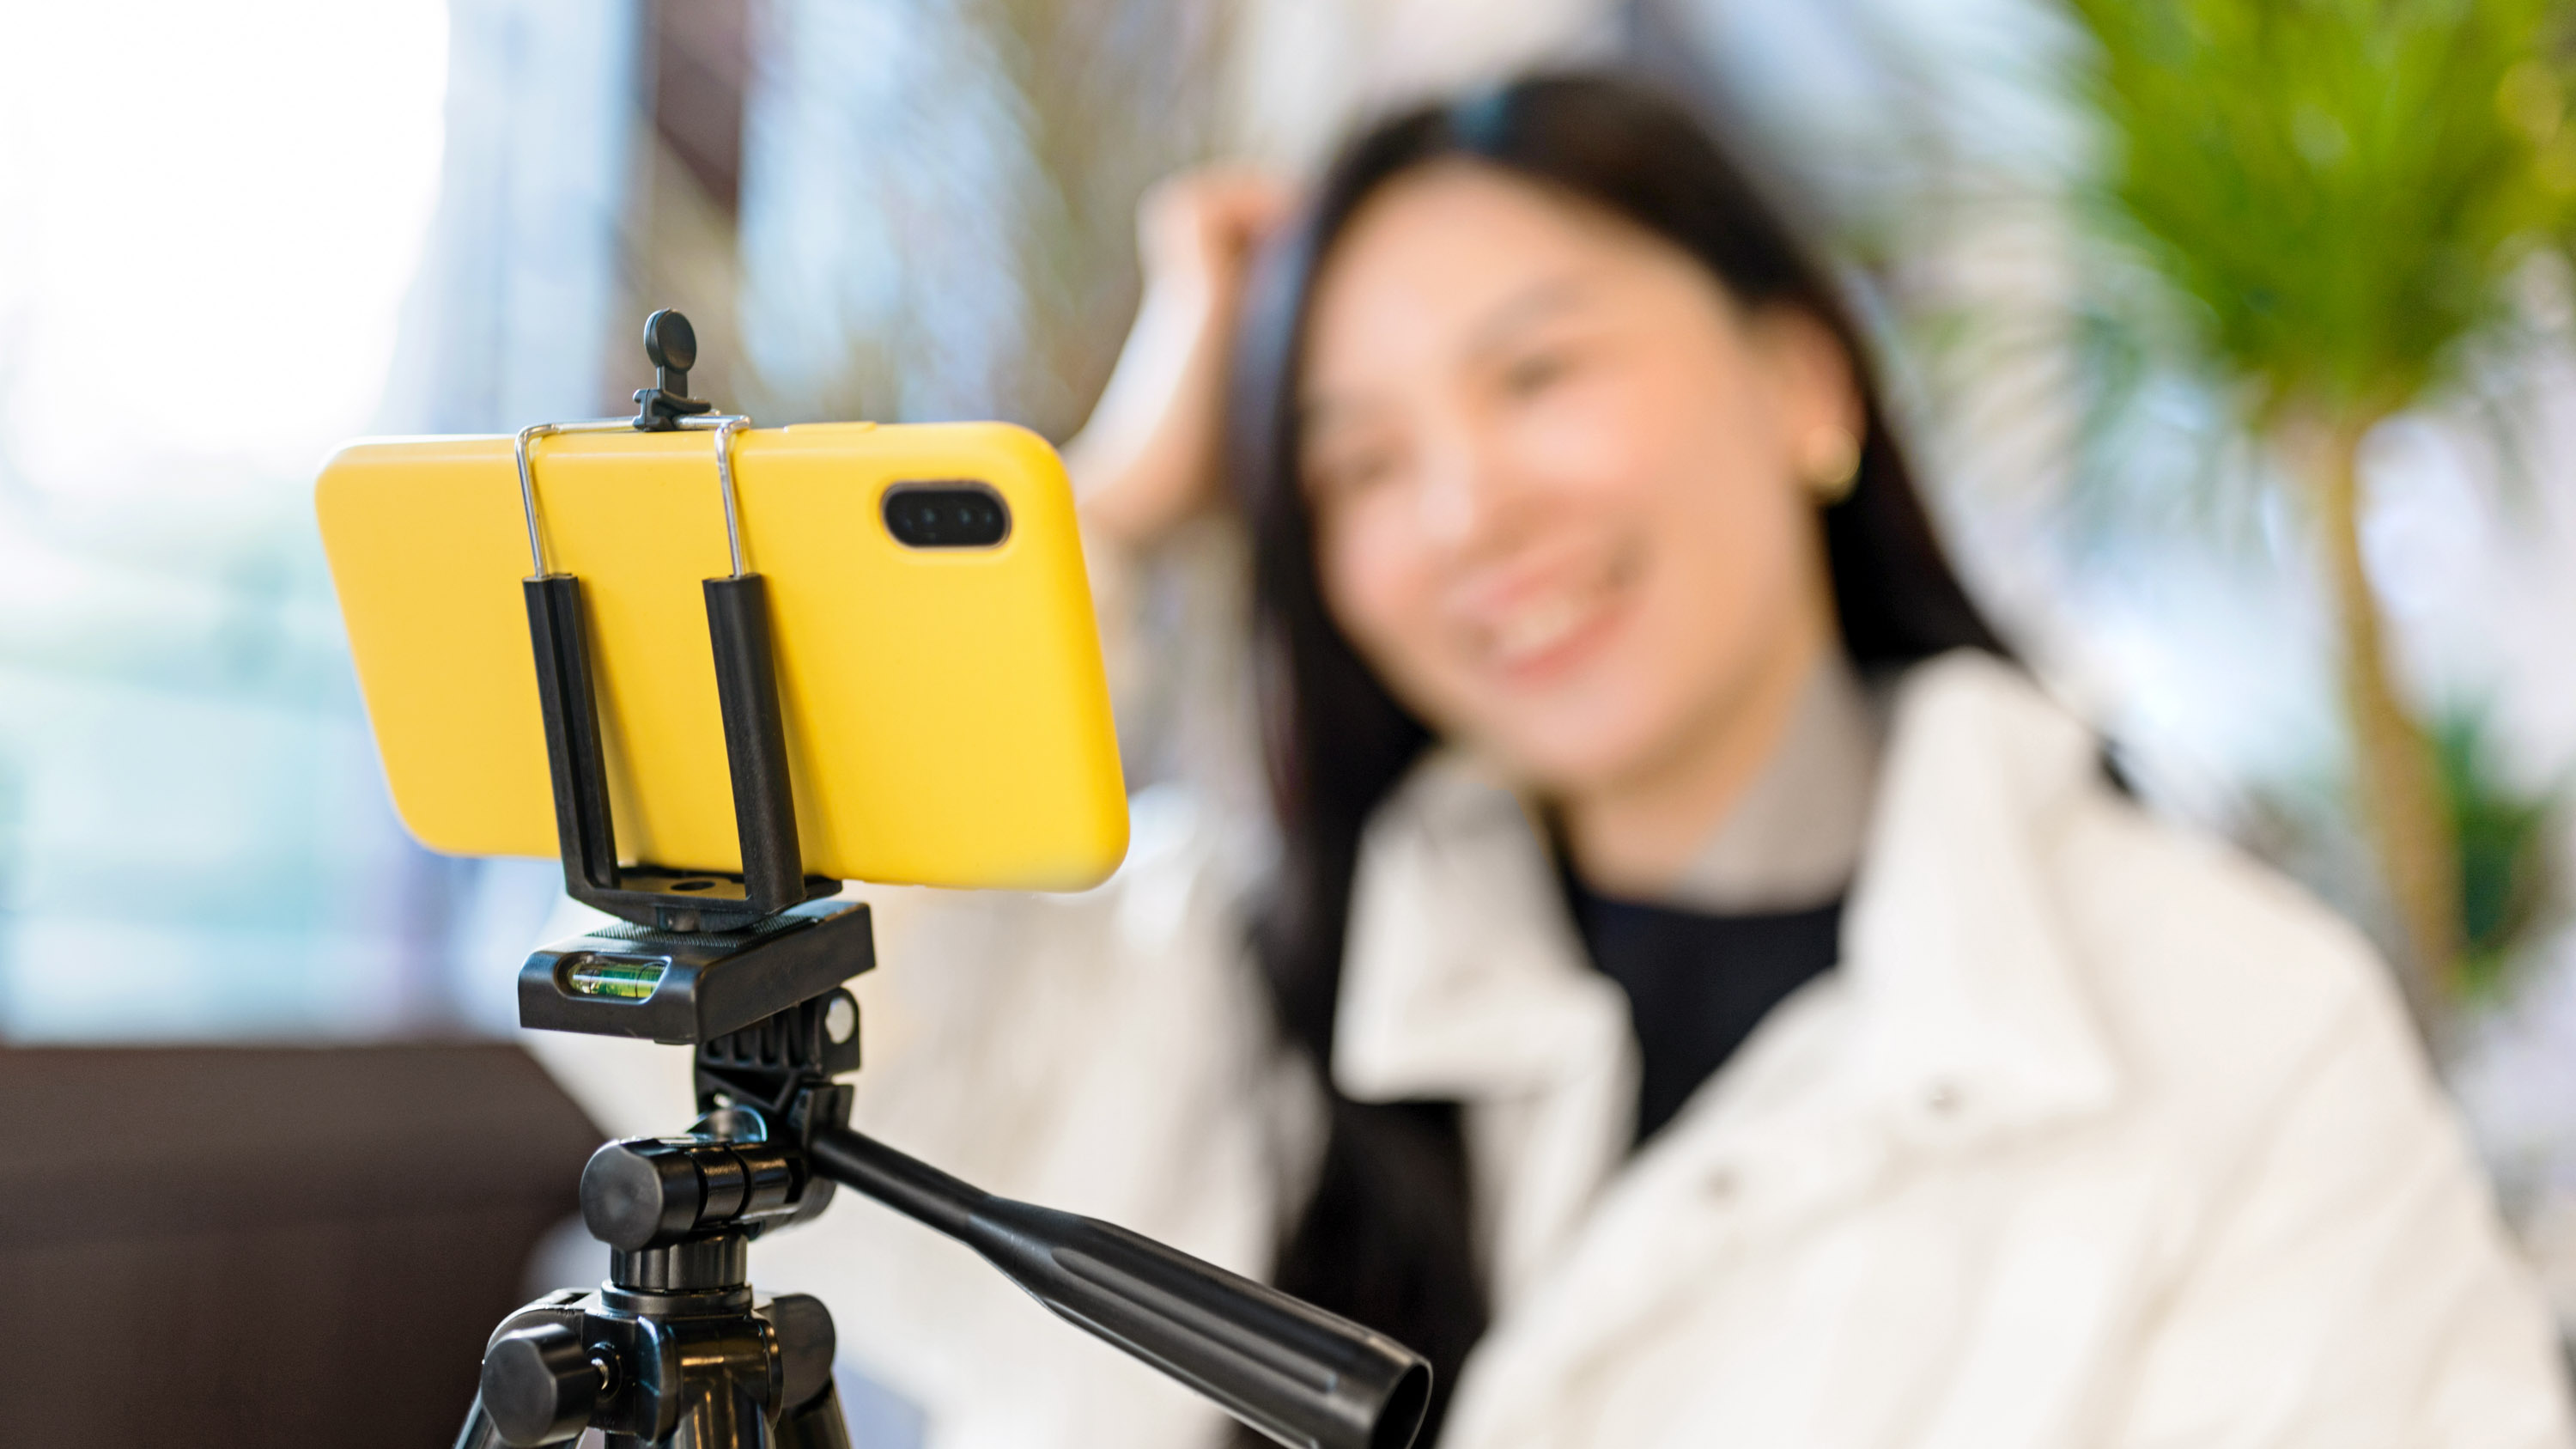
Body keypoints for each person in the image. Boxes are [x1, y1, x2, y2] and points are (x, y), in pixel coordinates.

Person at [538, 73, 2573, 1449]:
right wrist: (1089, 509)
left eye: (1539, 371)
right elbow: (634, 983)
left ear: (1804, 381)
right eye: (1353, 460)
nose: (1470, 509)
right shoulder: (1231, 964)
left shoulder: (2231, 1027)